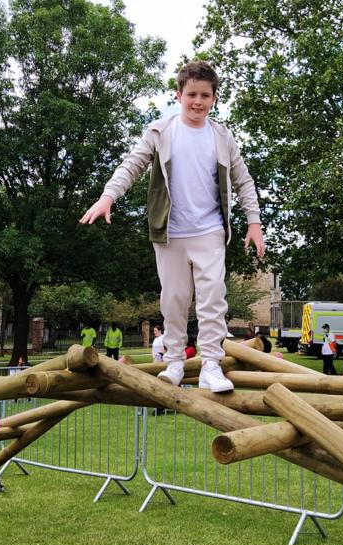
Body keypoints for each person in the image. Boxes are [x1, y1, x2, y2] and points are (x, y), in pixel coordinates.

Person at [80, 60, 264, 394]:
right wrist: (108, 197)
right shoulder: (161, 131)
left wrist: (254, 222)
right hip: (170, 232)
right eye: (191, 94)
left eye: (205, 95)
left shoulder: (221, 136)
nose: (198, 101)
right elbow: (132, 165)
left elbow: (243, 180)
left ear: (214, 98)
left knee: (212, 298)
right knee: (175, 300)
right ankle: (175, 362)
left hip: (209, 230)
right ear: (178, 95)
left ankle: (211, 364)